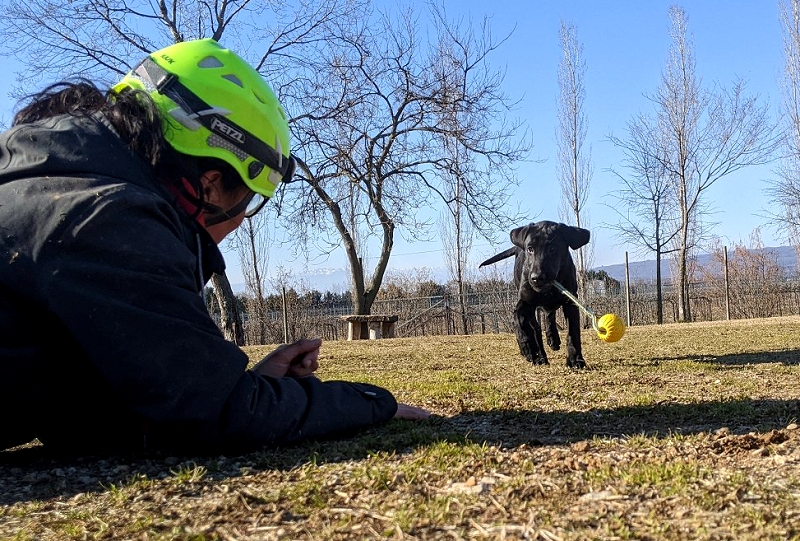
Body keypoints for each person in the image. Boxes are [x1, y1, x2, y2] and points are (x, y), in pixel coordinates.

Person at [0, 38, 429, 455]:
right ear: (208, 186)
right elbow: (218, 417)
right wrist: (370, 404)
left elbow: (79, 414)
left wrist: (240, 385)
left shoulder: (44, 180)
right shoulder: (109, 218)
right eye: (247, 202)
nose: (240, 221)